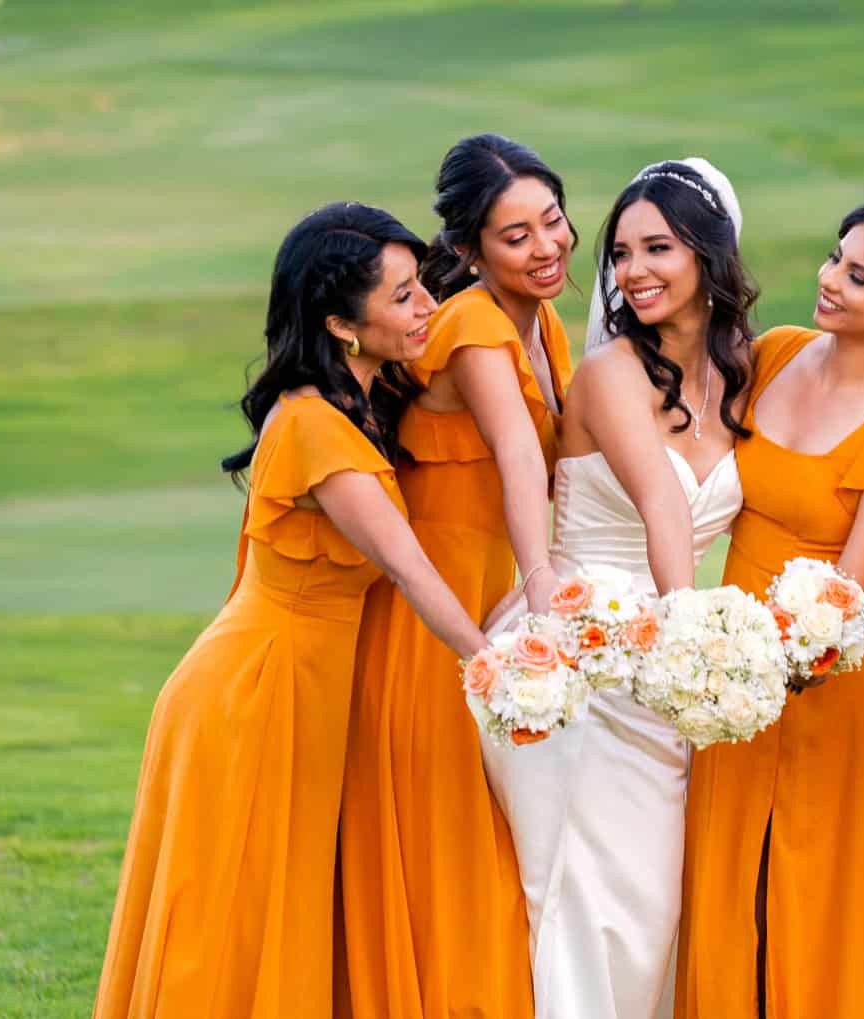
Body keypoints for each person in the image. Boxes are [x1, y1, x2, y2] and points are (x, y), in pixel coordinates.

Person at [94, 202, 497, 1019]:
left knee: (284, 903)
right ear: (341, 325)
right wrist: (499, 668)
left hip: (301, 687)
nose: (427, 308)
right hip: (259, 690)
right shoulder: (316, 424)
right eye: (403, 297)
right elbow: (409, 568)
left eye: (423, 287)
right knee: (233, 911)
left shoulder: (354, 401)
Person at [679, 200, 864, 1019]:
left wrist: (764, 663)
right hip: (732, 664)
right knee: (729, 874)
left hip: (829, 678)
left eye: (859, 275)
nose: (829, 279)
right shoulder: (774, 355)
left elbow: (847, 594)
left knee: (810, 881)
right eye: (836, 258)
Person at [482, 159, 755, 1019]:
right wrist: (694, 646)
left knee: (654, 908)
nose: (633, 271)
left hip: (664, 668)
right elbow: (663, 504)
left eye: (658, 248)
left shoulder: (745, 368)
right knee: (585, 900)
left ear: (708, 256)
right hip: (579, 651)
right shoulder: (608, 372)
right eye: (621, 252)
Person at [337, 133, 576, 1019]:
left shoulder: (540, 317)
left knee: (495, 830)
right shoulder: (475, 322)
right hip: (430, 613)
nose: (545, 247)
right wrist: (546, 578)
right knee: (451, 836)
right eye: (515, 237)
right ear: (469, 251)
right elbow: (519, 459)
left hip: (486, 594)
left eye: (552, 220)